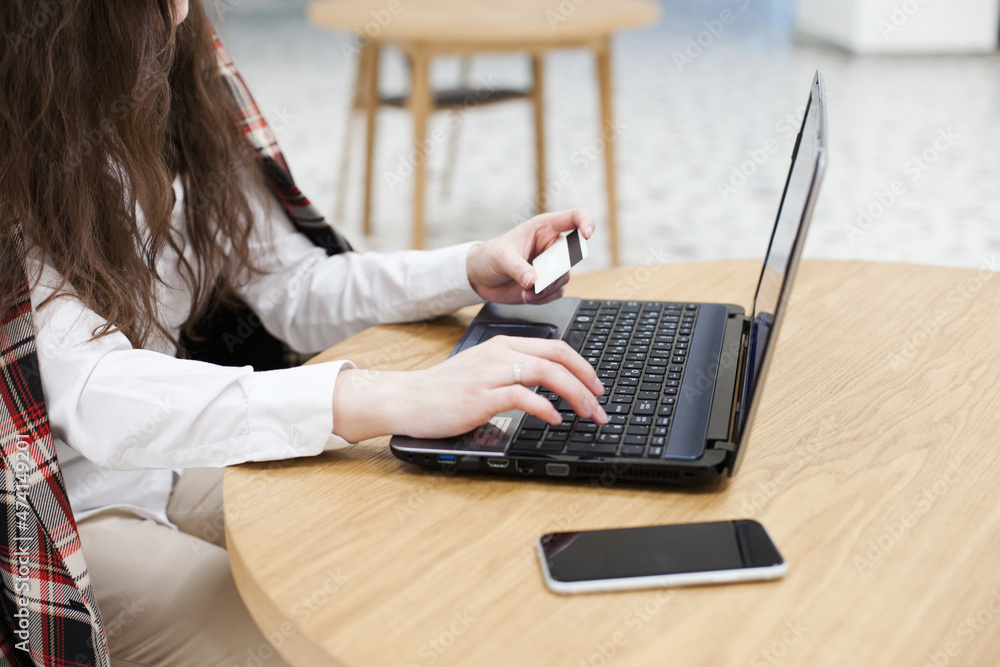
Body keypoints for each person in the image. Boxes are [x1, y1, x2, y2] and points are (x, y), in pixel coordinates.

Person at [0, 0, 608, 665]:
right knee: (305, 645)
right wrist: (381, 397)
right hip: (58, 509)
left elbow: (290, 284)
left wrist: (466, 269)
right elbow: (93, 391)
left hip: (166, 462)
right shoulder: (20, 132)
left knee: (405, 553)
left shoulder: (177, 76)